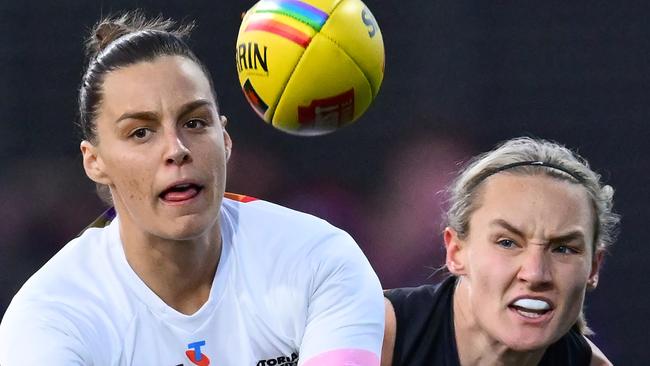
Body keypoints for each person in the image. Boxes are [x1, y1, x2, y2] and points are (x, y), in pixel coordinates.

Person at [0, 11, 384, 366]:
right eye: (141, 132)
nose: (177, 150)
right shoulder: (50, 317)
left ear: (226, 139)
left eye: (195, 123)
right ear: (94, 161)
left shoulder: (320, 261)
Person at [381, 137, 619, 366]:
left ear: (593, 268)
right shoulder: (375, 333)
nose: (535, 274)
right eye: (507, 243)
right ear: (455, 251)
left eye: (563, 249)